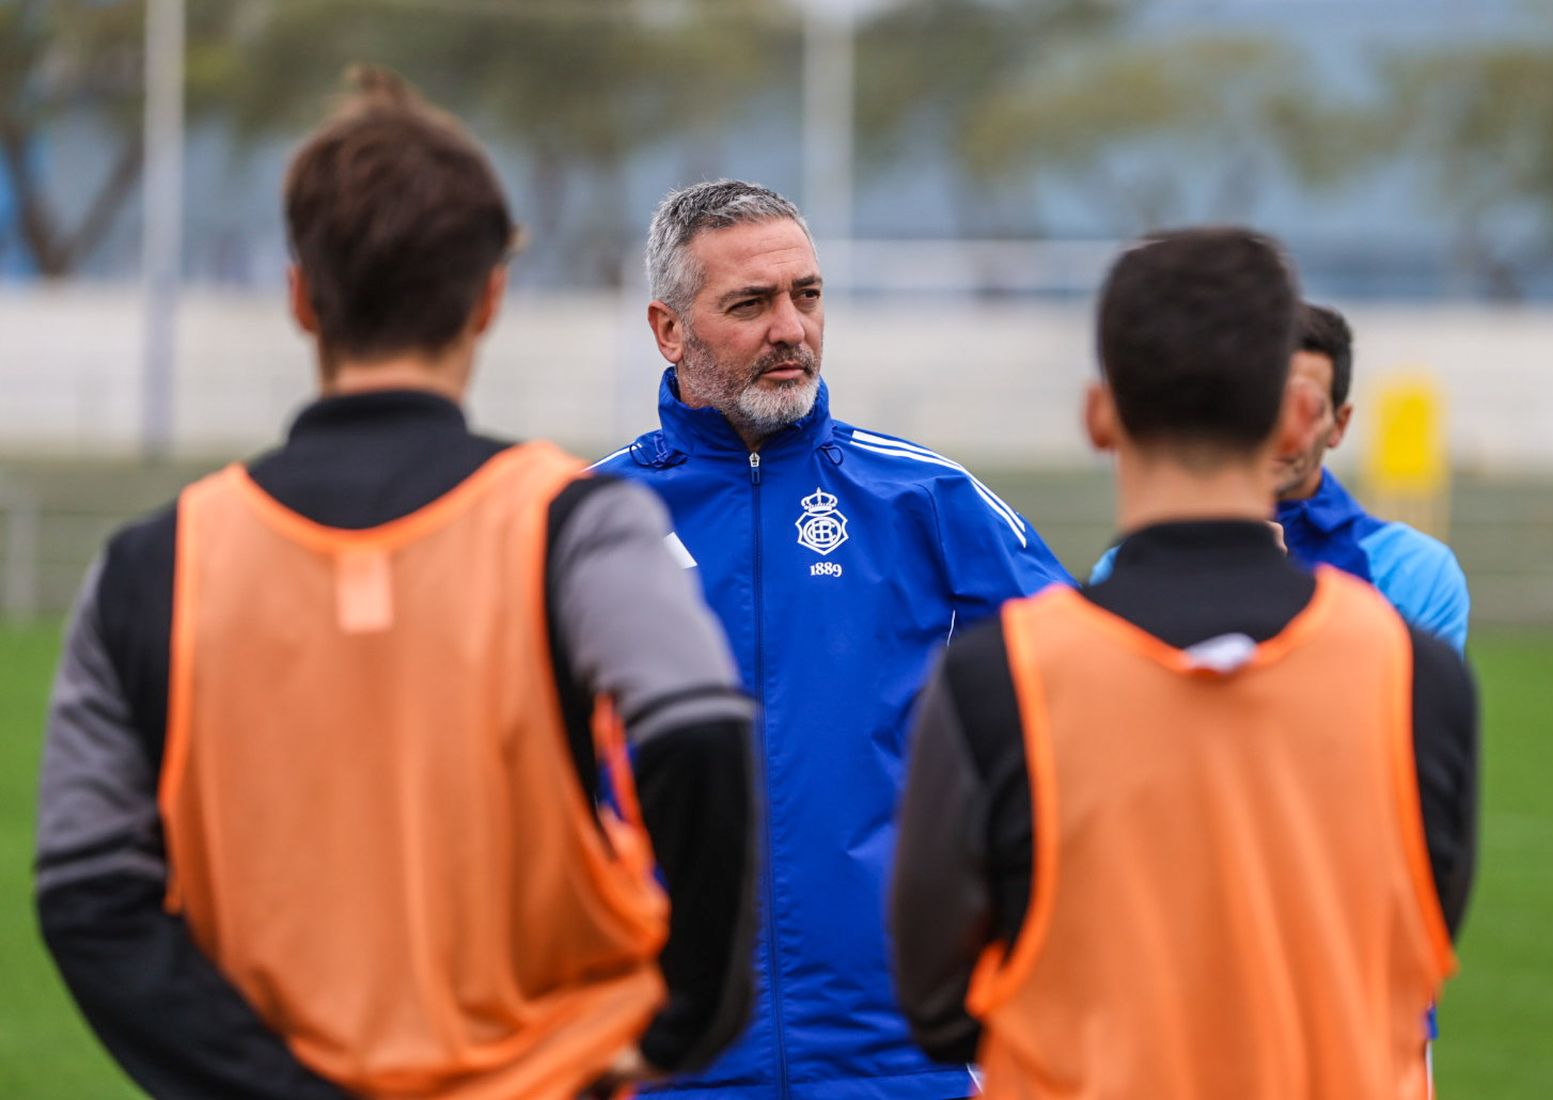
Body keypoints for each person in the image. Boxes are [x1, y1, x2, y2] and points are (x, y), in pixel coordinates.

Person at [35, 68, 757, 1100]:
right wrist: (694, 1014)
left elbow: (86, 890)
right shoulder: (576, 524)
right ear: (489, 297)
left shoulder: (150, 565)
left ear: (300, 296)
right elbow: (699, 729)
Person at [891, 227, 1478, 1099]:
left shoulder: (997, 678)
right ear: (1295, 414)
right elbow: (1413, 957)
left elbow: (935, 1001)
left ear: (1100, 416)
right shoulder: (1417, 678)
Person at [592, 179, 1071, 1099]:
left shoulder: (929, 501)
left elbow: (1098, 690)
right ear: (667, 329)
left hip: (904, 1058)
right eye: (750, 304)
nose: (790, 328)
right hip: (660, 1061)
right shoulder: (591, 522)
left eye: (806, 296)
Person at [1092, 302, 1470, 652]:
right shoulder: (1128, 567)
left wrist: (1272, 600)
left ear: (1338, 425)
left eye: (1303, 408)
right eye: (1259, 402)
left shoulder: (1414, 572)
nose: (1277, 429)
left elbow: (1402, 721)